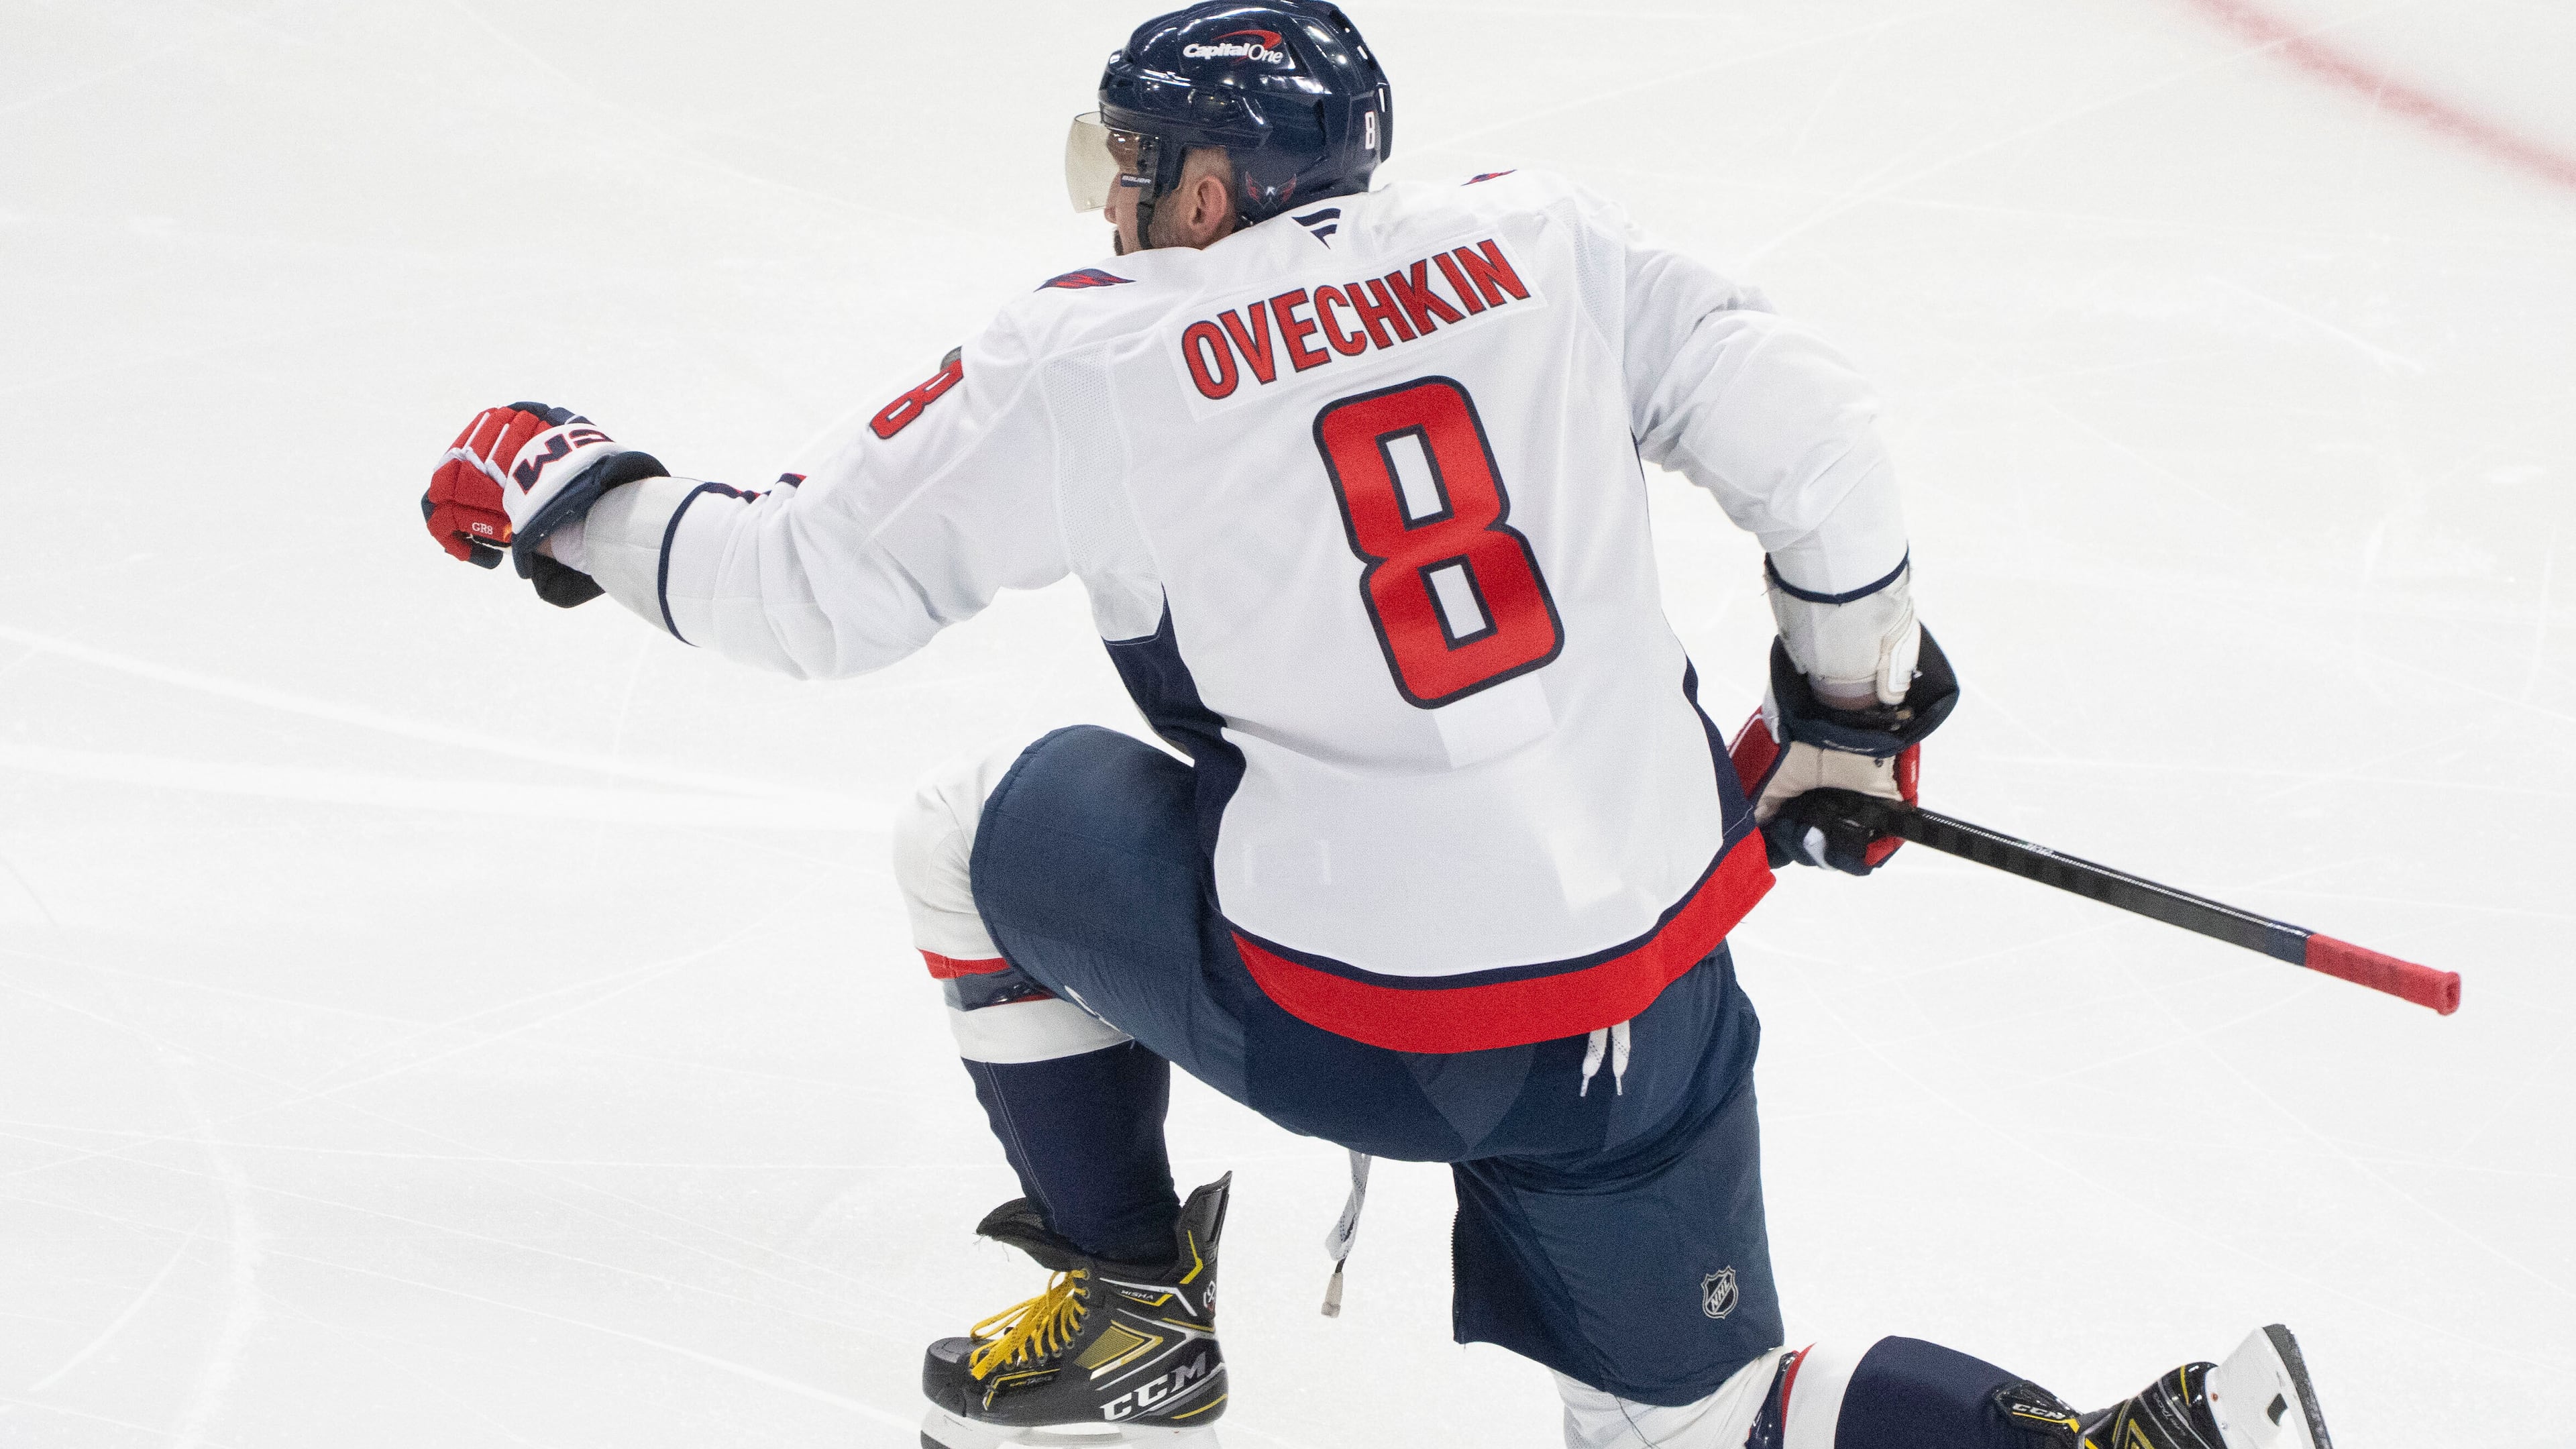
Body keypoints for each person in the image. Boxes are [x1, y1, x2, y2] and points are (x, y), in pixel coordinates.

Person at [419, 5, 2337, 1448]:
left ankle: (1132, 1297)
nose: (1113, 198)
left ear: (1206, 187)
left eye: (1133, 164)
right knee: (1693, 1413)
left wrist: (576, 493)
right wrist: (1851, 716)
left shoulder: (1091, 355)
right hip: (1651, 990)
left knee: (967, 830)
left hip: (1373, 1028)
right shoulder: (1541, 238)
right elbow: (1822, 442)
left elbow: (803, 589)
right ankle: (2103, 1446)